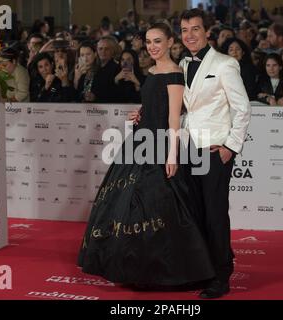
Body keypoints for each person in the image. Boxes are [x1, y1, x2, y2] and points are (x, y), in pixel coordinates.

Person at [78, 23, 215, 287]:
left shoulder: (174, 74)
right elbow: (156, 103)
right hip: (141, 139)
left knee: (159, 206)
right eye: (149, 42)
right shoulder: (150, 71)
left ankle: (164, 271)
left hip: (162, 144)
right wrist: (142, 112)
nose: (152, 47)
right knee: (130, 206)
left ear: (170, 42)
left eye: (158, 42)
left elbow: (175, 118)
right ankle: (133, 268)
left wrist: (172, 156)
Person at [179, 9, 251, 298]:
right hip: (189, 149)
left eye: (195, 29)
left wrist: (231, 147)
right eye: (185, 30)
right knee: (195, 214)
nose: (190, 35)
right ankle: (203, 269)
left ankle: (221, 275)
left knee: (215, 214)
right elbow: (184, 107)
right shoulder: (182, 64)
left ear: (207, 31)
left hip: (213, 150)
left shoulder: (225, 63)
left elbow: (242, 108)